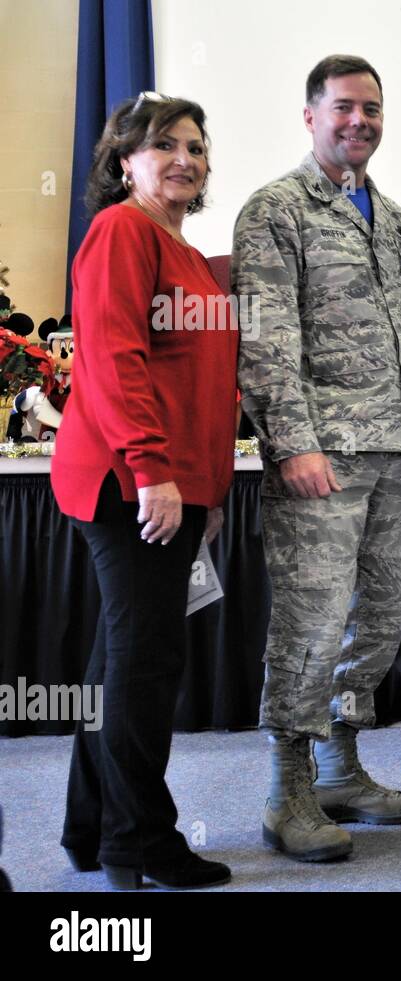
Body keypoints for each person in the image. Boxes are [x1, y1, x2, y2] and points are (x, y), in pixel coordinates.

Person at [234, 54, 401, 862]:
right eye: (344, 107)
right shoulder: (274, 211)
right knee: (312, 624)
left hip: (391, 452)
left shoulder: (397, 221)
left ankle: (342, 766)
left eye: (373, 109)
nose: (360, 121)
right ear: (310, 115)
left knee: (379, 621)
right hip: (320, 457)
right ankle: (288, 791)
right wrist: (294, 444)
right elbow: (267, 338)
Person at [52, 92, 236, 889]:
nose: (184, 159)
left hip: (173, 483)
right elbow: (113, 358)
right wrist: (154, 470)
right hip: (128, 481)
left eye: (195, 146)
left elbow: (205, 380)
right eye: (164, 145)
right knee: (145, 662)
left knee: (119, 660)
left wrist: (210, 488)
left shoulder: (189, 254)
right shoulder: (121, 232)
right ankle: (140, 842)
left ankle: (91, 828)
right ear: (124, 161)